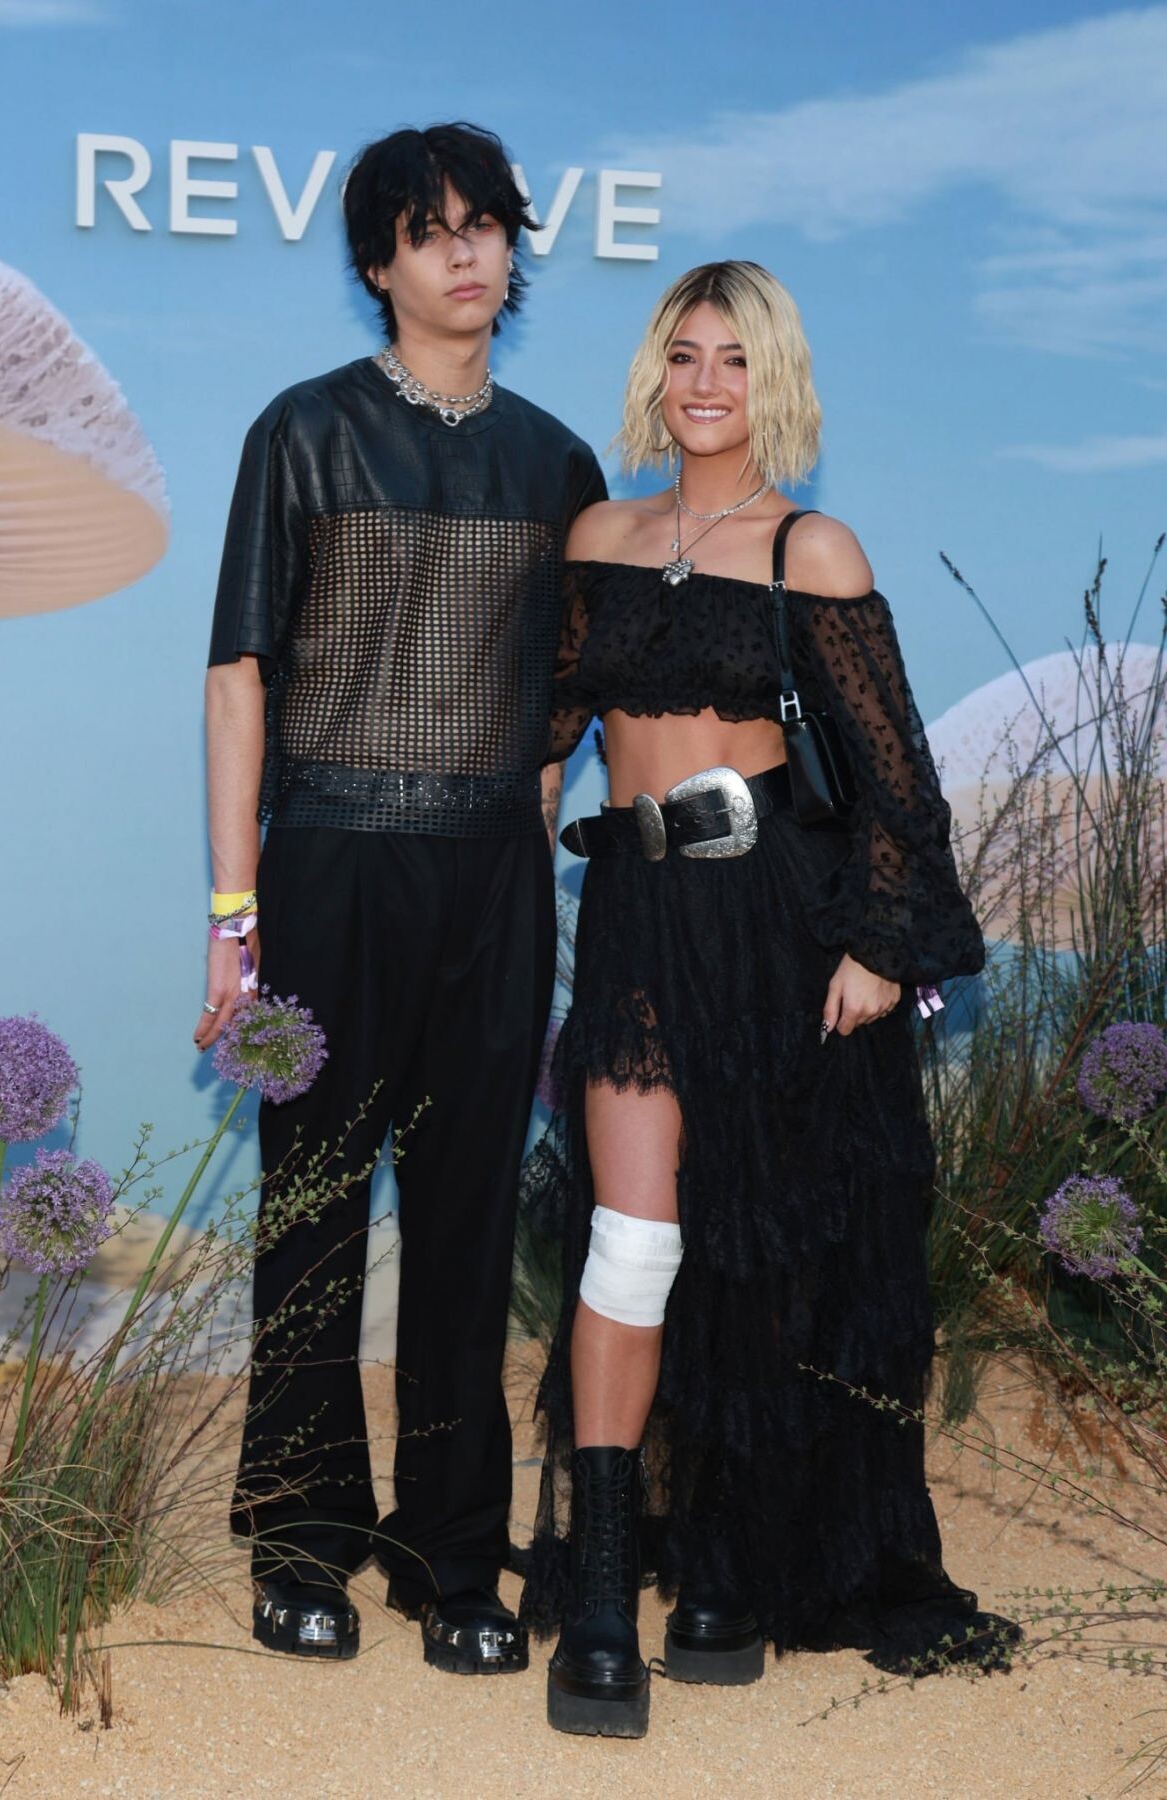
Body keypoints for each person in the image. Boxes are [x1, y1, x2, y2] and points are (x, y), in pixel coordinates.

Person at [521, 260, 1016, 1737]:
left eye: (735, 358)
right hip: (635, 916)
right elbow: (550, 736)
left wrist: (877, 947)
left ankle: (725, 1574)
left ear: (774, 378)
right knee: (633, 1246)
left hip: (778, 932)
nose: (705, 383)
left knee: (752, 1252)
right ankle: (602, 1600)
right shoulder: (600, 537)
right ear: (654, 373)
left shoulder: (814, 549)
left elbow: (898, 783)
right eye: (684, 354)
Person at [196, 120, 606, 1672]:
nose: (464, 255)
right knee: (311, 1213)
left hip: (493, 876)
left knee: (466, 1220)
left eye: (484, 226)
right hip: (331, 863)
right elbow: (238, 680)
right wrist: (234, 915)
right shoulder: (302, 433)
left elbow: (562, 710)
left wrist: (523, 848)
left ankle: (453, 1557)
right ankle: (302, 1542)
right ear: (379, 263)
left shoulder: (557, 463)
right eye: (430, 232)